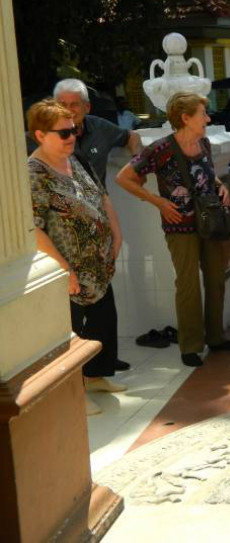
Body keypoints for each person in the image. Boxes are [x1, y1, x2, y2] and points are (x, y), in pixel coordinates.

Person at [116, 92, 230, 367]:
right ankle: (190, 346)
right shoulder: (161, 148)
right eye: (203, 113)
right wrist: (158, 202)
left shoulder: (204, 143)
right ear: (185, 117)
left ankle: (215, 338)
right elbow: (124, 178)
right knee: (187, 285)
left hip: (209, 224)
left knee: (216, 280)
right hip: (179, 227)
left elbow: (208, 176)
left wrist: (220, 187)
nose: (208, 118)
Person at [28, 99, 125, 416]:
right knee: (75, 334)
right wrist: (64, 268)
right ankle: (74, 392)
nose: (72, 137)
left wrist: (115, 232)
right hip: (69, 271)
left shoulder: (74, 158)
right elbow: (35, 228)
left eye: (74, 131)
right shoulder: (35, 173)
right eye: (64, 132)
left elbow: (101, 195)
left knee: (103, 324)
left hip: (97, 265)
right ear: (41, 135)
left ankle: (96, 377)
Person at [53, 79, 142, 185]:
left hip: (99, 199)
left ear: (87, 107)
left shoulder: (99, 127)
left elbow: (132, 136)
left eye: (74, 104)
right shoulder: (46, 134)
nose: (68, 110)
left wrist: (138, 166)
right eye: (63, 105)